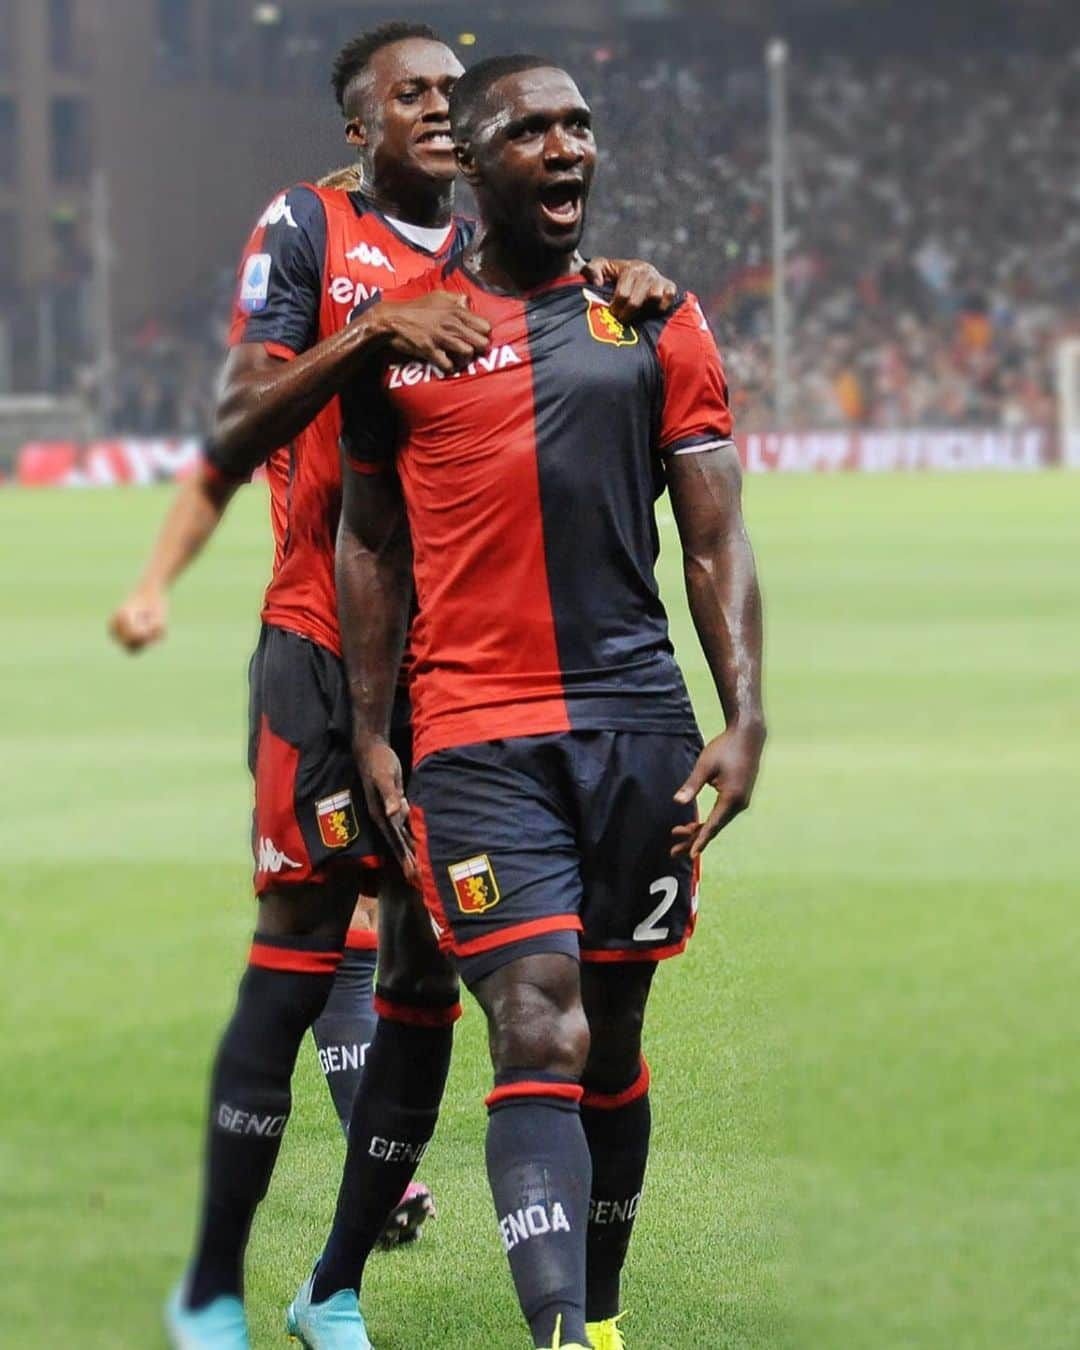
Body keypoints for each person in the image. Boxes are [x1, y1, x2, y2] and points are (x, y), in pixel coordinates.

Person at [107, 23, 677, 1349]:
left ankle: (334, 1282)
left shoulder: (494, 243)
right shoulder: (310, 230)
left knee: (417, 984)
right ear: (360, 125)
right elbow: (238, 426)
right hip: (324, 646)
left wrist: (626, 284)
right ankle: (207, 1287)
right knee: (298, 964)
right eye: (408, 94)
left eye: (447, 93)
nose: (436, 108)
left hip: (462, 681)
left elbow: (561, 327)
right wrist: (366, 336)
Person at [291, 53, 766, 1350]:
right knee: (535, 1017)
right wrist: (372, 731)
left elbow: (718, 537)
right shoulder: (409, 340)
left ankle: (589, 1315)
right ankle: (558, 1332)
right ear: (470, 161)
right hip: (476, 737)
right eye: (530, 130)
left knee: (607, 1031)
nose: (565, 150)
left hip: (639, 730)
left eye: (580, 128)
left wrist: (747, 709)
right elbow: (370, 543)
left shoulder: (654, 320)